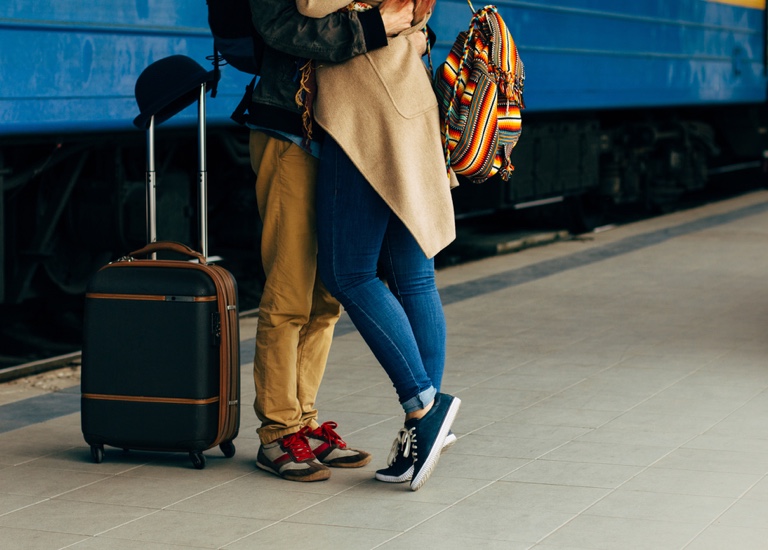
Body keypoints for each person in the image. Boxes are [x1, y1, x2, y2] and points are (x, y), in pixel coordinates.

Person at [245, 0, 417, 482]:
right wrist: (370, 26)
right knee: (289, 290)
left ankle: (304, 420)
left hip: (346, 137)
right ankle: (277, 432)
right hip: (291, 132)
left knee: (326, 295)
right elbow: (279, 26)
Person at [299, 0, 463, 491]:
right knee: (414, 277)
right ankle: (421, 434)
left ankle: (424, 406)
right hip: (404, 97)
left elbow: (309, 3)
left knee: (348, 273)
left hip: (366, 114)